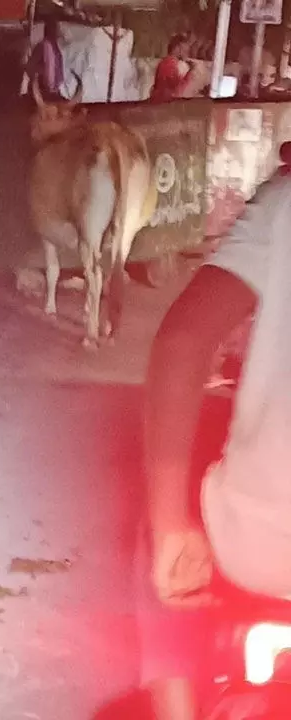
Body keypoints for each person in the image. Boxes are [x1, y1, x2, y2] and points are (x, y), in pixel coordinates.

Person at [140, 143, 291, 719]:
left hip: (258, 551)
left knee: (160, 531)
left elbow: (181, 344)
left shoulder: (284, 199)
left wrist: (169, 525)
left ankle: (176, 708)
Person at [151, 33, 202, 101]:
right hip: (163, 104)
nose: (186, 53)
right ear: (178, 48)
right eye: (185, 50)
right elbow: (177, 90)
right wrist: (190, 72)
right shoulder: (169, 63)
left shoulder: (168, 62)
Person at [28, 19, 65, 101]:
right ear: (51, 30)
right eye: (56, 28)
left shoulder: (56, 48)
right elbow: (30, 67)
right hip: (42, 91)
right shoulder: (42, 46)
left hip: (54, 91)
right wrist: (39, 75)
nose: (59, 30)